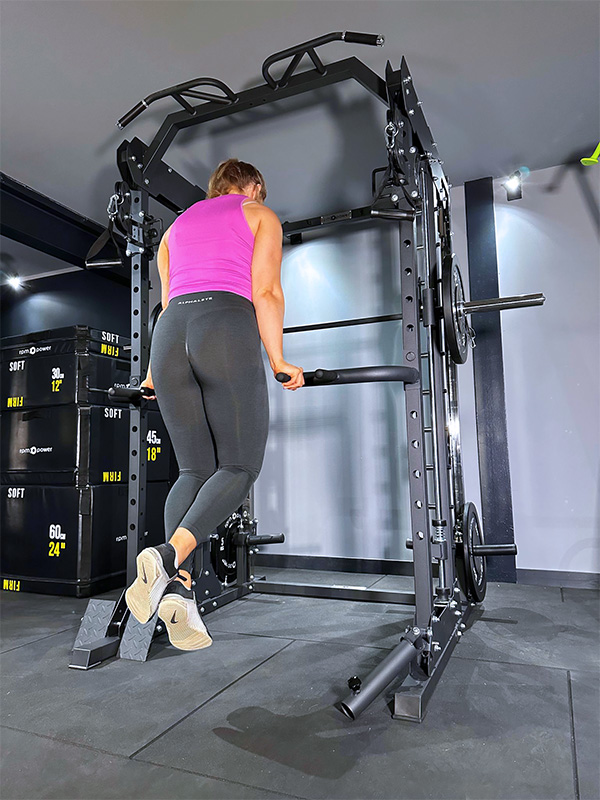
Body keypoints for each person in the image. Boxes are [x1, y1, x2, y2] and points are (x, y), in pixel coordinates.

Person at [125, 158, 304, 650]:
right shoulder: (258, 214)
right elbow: (265, 291)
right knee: (241, 464)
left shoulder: (173, 230)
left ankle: (177, 592)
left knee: (193, 470)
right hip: (222, 327)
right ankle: (166, 556)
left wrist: (150, 374)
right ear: (252, 186)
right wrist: (279, 359)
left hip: (169, 340)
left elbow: (166, 302)